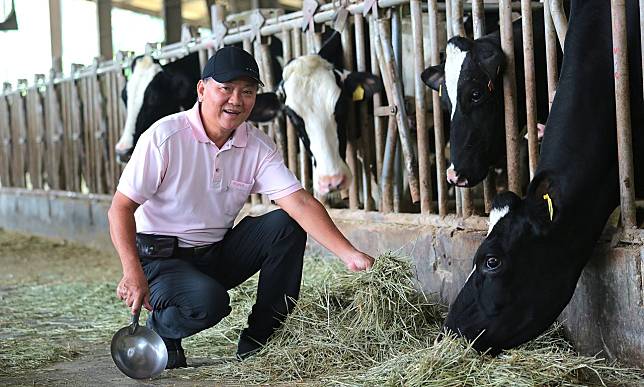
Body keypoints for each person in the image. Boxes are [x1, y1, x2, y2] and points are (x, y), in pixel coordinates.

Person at [108, 46, 374, 369]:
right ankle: (163, 330)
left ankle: (261, 342)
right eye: (226, 89)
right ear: (202, 89)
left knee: (286, 226)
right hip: (161, 261)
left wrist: (349, 254)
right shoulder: (164, 138)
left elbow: (301, 202)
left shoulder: (256, 145)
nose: (236, 100)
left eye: (247, 91)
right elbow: (120, 208)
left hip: (214, 253)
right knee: (210, 303)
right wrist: (132, 270)